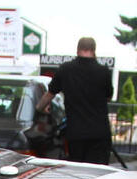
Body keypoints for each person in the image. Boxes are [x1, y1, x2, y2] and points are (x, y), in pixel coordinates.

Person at [36, 36, 113, 165]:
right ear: (94, 50)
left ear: (77, 50)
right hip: (100, 133)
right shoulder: (103, 71)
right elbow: (108, 97)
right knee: (99, 174)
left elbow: (50, 94)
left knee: (78, 172)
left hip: (76, 133)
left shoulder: (66, 69)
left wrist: (39, 108)